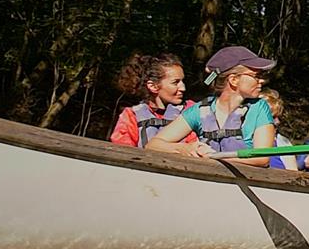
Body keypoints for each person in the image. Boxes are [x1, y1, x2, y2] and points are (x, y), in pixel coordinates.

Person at [146, 46, 278, 167]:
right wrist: (185, 148)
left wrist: (214, 158)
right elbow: (153, 145)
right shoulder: (198, 111)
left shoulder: (260, 108)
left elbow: (262, 158)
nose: (261, 80)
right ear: (234, 80)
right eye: (256, 76)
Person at [109, 53, 194, 149]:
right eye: (175, 82)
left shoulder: (192, 111)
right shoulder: (132, 116)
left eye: (182, 81)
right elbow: (122, 151)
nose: (183, 88)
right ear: (153, 86)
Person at [261, 89, 297, 170]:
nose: (277, 122)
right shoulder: (240, 140)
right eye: (273, 117)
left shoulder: (283, 143)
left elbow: (294, 175)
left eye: (278, 117)